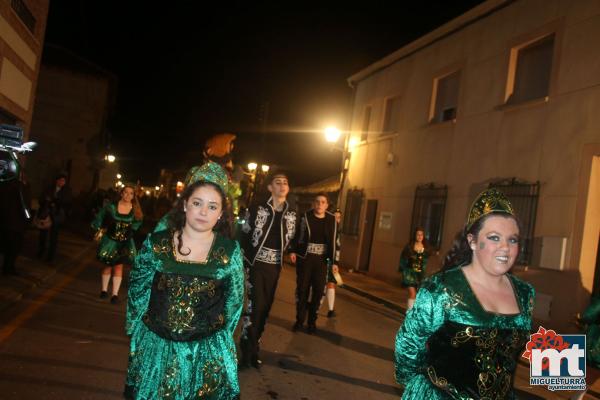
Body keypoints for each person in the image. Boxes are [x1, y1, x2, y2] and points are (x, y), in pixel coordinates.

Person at [394, 188, 535, 399]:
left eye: (512, 239)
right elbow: (407, 344)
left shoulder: (524, 293)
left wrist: (572, 374)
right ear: (473, 241)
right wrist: (422, 390)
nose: (505, 247)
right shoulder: (441, 288)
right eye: (495, 237)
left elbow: (516, 352)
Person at [124, 163, 244, 400]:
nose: (203, 212)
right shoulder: (156, 243)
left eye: (212, 206)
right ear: (185, 204)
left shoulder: (230, 251)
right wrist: (136, 332)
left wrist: (220, 342)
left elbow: (234, 302)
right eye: (197, 203)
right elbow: (138, 290)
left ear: (220, 213)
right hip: (157, 351)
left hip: (206, 354)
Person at [239, 171, 297, 369]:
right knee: (254, 307)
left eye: (285, 183)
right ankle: (247, 351)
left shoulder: (291, 213)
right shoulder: (258, 208)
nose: (282, 185)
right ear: (270, 188)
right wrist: (243, 259)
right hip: (255, 265)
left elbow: (295, 238)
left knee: (264, 309)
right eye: (277, 182)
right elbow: (244, 233)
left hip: (274, 267)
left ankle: (254, 347)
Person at [290, 193, 338, 333]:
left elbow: (334, 241)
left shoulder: (331, 219)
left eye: (323, 202)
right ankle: (299, 320)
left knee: (318, 291)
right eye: (317, 201)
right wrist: (293, 250)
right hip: (305, 258)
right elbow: (297, 233)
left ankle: (312, 322)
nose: (319, 204)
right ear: (314, 203)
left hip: (322, 260)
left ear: (327, 205)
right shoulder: (306, 216)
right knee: (302, 289)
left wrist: (334, 262)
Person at [92, 185, 143, 303]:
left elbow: (138, 222)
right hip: (110, 240)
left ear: (133, 196)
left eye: (131, 193)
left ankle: (115, 294)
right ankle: (104, 290)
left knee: (119, 267)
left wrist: (131, 230)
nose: (128, 195)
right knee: (107, 266)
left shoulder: (135, 209)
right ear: (121, 193)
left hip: (125, 242)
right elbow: (100, 216)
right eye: (126, 192)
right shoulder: (111, 207)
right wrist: (98, 228)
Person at [0, 172, 31, 276]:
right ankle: (9, 268)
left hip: (5, 222)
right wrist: (27, 221)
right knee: (14, 248)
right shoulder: (21, 188)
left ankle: (7, 267)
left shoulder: (4, 186)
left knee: (6, 246)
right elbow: (25, 207)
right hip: (17, 224)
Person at [37, 173, 72, 262]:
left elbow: (66, 202)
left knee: (54, 237)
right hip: (47, 214)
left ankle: (50, 256)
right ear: (56, 180)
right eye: (60, 180)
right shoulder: (49, 188)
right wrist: (47, 202)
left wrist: (54, 201)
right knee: (43, 235)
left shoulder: (66, 191)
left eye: (63, 181)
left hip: (57, 216)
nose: (62, 182)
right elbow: (41, 199)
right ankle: (41, 252)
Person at [398, 227, 431, 311]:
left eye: (421, 235)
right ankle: (409, 314)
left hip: (419, 275)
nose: (420, 236)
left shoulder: (426, 248)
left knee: (418, 295)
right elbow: (403, 259)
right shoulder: (409, 247)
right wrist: (402, 270)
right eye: (418, 235)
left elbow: (425, 263)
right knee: (412, 294)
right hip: (409, 274)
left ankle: (413, 312)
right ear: (415, 236)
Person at [324, 208, 342, 318]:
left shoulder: (338, 231)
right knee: (323, 283)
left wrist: (336, 263)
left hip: (333, 261)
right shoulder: (328, 229)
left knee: (331, 283)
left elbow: (338, 248)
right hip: (326, 259)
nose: (337, 219)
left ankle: (330, 310)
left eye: (339, 217)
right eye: (335, 216)